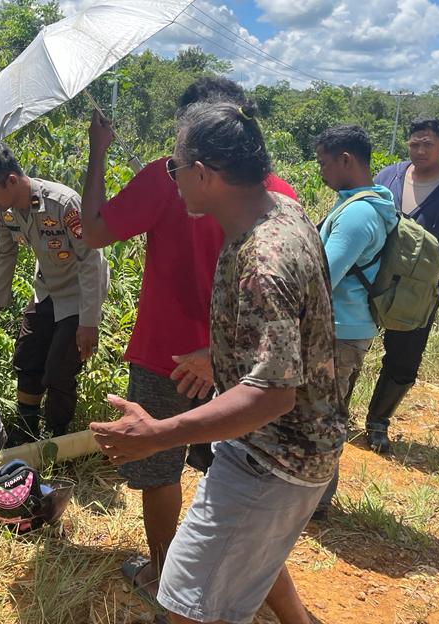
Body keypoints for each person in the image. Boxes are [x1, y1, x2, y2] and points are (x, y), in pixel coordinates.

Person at [91, 101, 344, 624]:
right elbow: (294, 328)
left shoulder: (263, 261)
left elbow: (272, 395)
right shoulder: (281, 210)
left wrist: (158, 434)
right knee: (249, 557)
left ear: (203, 174)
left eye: (175, 168)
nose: (172, 178)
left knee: (183, 605)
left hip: (269, 462)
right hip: (290, 453)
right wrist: (221, 351)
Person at [0, 143, 109, 444]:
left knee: (59, 371)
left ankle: (57, 439)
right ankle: (27, 431)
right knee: (27, 356)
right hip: (46, 289)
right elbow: (3, 254)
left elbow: (91, 260)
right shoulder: (4, 212)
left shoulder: (63, 203)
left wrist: (89, 321)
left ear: (11, 181)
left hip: (79, 292)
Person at [370, 117, 439, 452]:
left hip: (418, 290)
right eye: (414, 144)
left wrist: (434, 261)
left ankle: (378, 422)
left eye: (428, 145)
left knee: (403, 359)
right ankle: (337, 413)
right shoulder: (388, 176)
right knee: (353, 344)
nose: (420, 151)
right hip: (374, 279)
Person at [312, 125, 398, 518]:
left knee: (322, 415)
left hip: (339, 331)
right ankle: (311, 496)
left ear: (346, 160)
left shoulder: (359, 214)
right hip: (344, 327)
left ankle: (315, 501)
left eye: (323, 163)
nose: (321, 171)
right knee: (323, 412)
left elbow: (322, 277)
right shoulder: (362, 204)